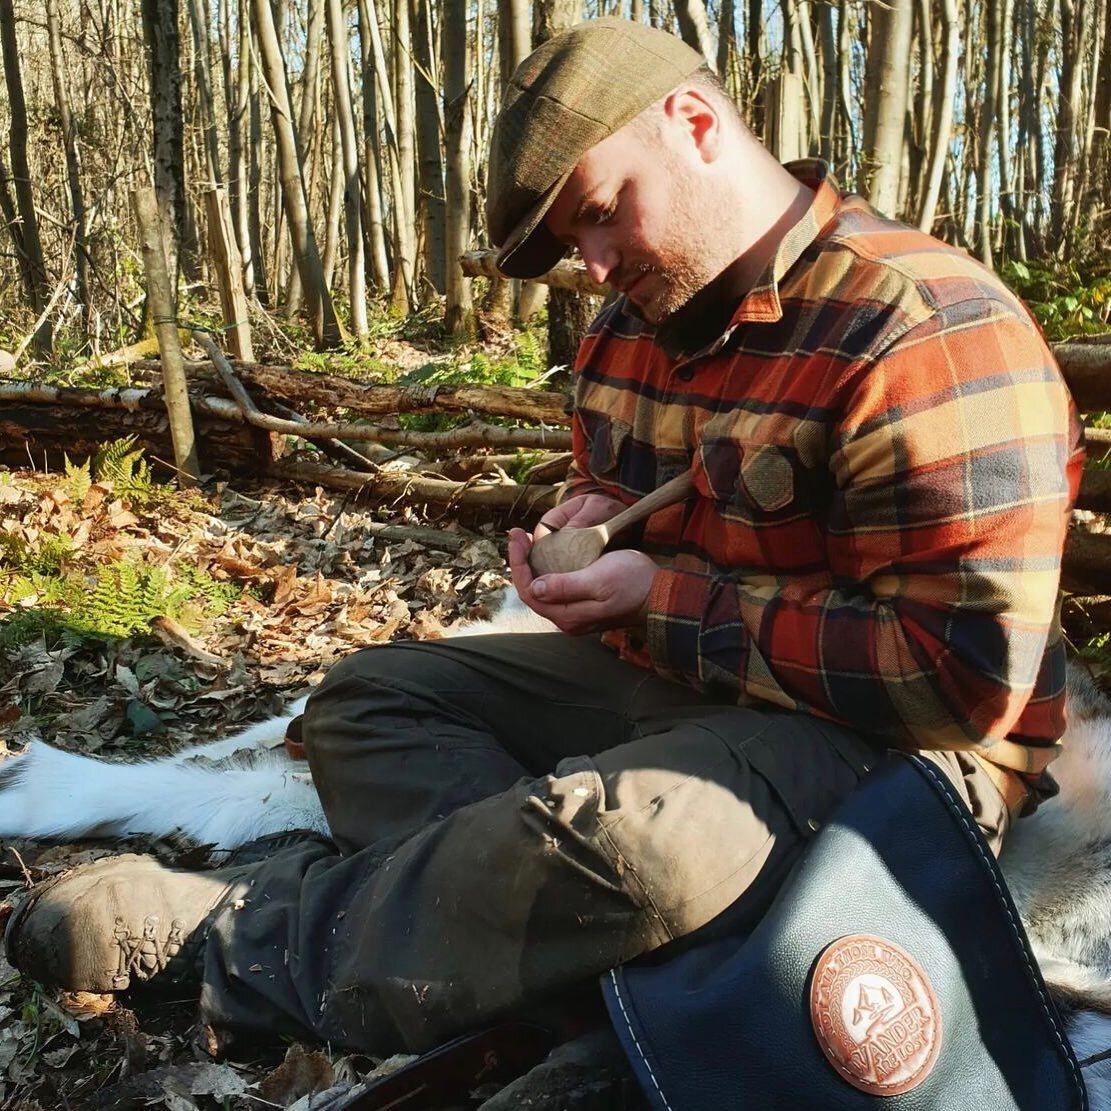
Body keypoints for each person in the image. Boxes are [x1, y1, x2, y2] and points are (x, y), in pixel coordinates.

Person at [4, 17, 1083, 1063]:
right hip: (688, 697)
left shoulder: (922, 329)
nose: (598, 264)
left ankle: (257, 943)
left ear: (695, 123)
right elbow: (620, 505)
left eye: (603, 212)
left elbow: (961, 682)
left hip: (897, 747)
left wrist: (655, 600)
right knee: (369, 701)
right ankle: (537, 921)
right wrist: (580, 538)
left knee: (633, 843)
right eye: (575, 242)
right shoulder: (629, 331)